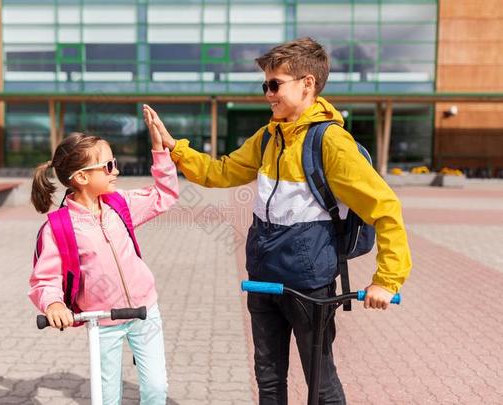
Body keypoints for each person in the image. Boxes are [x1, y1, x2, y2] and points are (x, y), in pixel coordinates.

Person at [142, 37, 412, 404]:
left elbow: (386, 208)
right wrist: (176, 148)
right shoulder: (269, 137)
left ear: (307, 84)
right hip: (264, 278)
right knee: (268, 381)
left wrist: (387, 281)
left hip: (309, 284)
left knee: (321, 382)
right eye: (264, 85)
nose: (267, 93)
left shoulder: (331, 143)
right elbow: (220, 172)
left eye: (275, 84)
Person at [28, 107, 178, 405]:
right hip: (102, 322)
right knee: (106, 398)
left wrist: (159, 149)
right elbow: (45, 280)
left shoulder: (119, 205)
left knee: (156, 389)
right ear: (82, 177)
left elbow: (164, 196)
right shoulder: (59, 227)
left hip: (144, 311)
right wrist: (54, 303)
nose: (116, 170)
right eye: (108, 166)